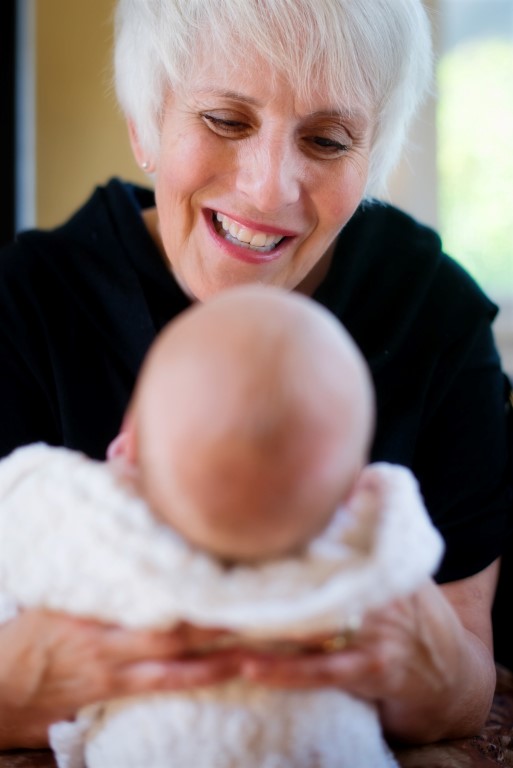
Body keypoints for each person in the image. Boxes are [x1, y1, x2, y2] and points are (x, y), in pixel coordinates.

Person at [0, 0, 511, 752]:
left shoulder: (433, 316)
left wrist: (415, 663)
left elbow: (468, 679)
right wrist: (29, 681)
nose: (270, 189)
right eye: (225, 121)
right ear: (145, 124)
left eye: (327, 140)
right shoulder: (24, 306)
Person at [0, 286, 444, 768]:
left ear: (128, 448)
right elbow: (404, 538)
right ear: (355, 486)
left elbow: (23, 499)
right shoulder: (361, 554)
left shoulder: (97, 527)